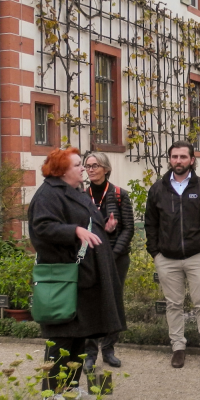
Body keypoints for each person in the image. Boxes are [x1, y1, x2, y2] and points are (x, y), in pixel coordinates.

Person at [28, 147, 125, 394]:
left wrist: (106, 228)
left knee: (80, 336)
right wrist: (74, 231)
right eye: (76, 165)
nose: (83, 168)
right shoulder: (48, 194)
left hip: (85, 279)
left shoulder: (74, 191)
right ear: (61, 171)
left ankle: (70, 387)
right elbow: (43, 227)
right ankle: (52, 394)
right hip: (66, 279)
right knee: (61, 339)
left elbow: (87, 221)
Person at [145, 141, 200, 370]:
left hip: (198, 256)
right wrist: (155, 252)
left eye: (183, 157)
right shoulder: (158, 189)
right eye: (174, 156)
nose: (178, 161)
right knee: (173, 304)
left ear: (192, 160)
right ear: (169, 159)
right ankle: (178, 347)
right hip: (167, 258)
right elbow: (151, 223)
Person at [82, 151, 135, 372]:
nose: (91, 169)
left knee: (113, 302)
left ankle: (110, 349)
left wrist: (112, 255)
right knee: (92, 304)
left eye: (95, 165)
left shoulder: (120, 195)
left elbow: (128, 229)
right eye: (88, 166)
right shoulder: (82, 196)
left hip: (116, 258)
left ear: (106, 168)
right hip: (91, 258)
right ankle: (90, 353)